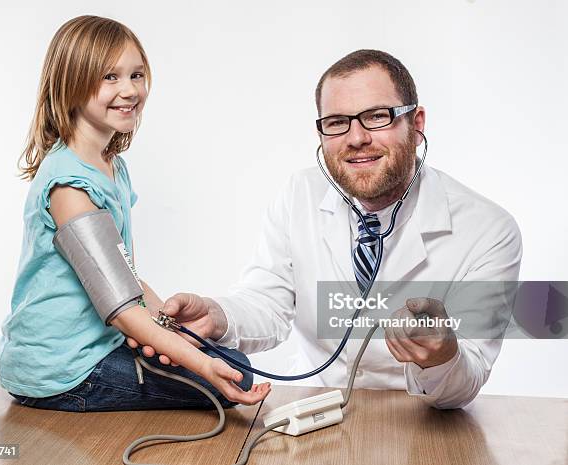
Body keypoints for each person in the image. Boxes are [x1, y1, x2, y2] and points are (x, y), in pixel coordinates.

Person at [131, 49, 522, 409]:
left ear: (416, 124)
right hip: (318, 412)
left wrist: (442, 356)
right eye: (337, 123)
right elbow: (269, 304)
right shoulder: (299, 193)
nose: (356, 138)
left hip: (422, 422)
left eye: (377, 116)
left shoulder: (489, 230)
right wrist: (219, 316)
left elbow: (467, 379)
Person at [0, 15, 270, 412]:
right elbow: (122, 310)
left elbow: (121, 277)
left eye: (136, 75)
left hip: (98, 344)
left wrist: (168, 328)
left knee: (227, 359)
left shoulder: (111, 166)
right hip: (62, 371)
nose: (129, 90)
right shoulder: (70, 186)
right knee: (235, 372)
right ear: (71, 83)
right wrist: (197, 362)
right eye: (110, 77)